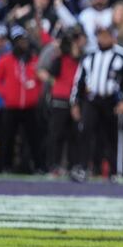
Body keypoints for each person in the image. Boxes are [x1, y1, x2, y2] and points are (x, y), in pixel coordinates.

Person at [70, 25, 123, 182]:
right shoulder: (89, 55)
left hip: (111, 100)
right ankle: (83, 168)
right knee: (85, 132)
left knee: (112, 136)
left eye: (106, 36)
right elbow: (79, 79)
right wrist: (75, 102)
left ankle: (115, 171)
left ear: (113, 37)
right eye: (101, 36)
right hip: (91, 100)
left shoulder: (121, 55)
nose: (103, 39)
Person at [37, 26, 87, 176]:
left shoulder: (84, 59)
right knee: (55, 134)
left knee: (74, 135)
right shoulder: (59, 59)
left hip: (75, 101)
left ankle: (74, 166)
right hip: (60, 100)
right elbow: (50, 73)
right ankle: (53, 165)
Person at [0, 26, 42, 173]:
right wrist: (6, 94)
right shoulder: (5, 60)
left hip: (29, 106)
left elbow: (39, 81)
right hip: (11, 106)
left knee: (34, 138)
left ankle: (38, 166)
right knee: (7, 138)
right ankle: (3, 166)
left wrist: (36, 94)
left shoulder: (33, 60)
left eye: (24, 41)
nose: (23, 44)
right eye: (19, 42)